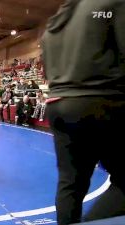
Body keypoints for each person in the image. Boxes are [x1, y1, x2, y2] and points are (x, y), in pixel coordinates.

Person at [42, 0, 125, 224]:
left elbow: (47, 70)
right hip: (101, 100)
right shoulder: (111, 3)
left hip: (59, 104)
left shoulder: (56, 20)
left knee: (71, 183)